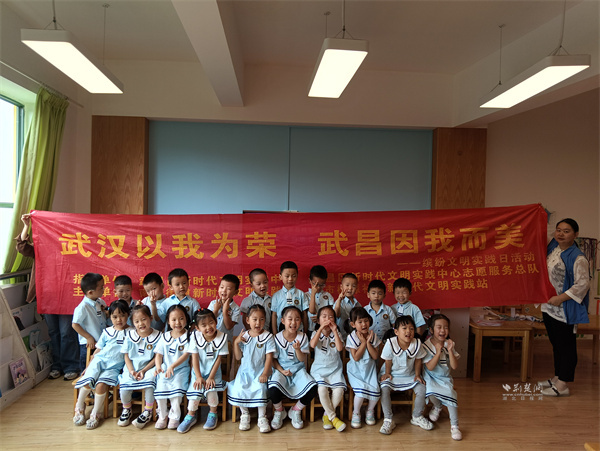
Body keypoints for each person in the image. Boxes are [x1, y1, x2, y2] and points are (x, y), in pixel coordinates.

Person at [15, 213, 79, 380]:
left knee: (66, 332)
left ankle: (70, 366)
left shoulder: (72, 247)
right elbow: (22, 247)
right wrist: (26, 226)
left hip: (66, 296)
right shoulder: (41, 248)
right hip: (47, 295)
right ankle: (57, 365)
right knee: (54, 332)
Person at [539, 218, 590, 397]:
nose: (561, 234)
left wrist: (560, 298)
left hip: (565, 309)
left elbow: (582, 284)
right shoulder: (554, 248)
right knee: (556, 344)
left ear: (575, 235)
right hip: (549, 307)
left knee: (566, 346)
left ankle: (563, 384)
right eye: (558, 230)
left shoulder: (578, 257)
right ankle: (557, 376)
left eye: (566, 231)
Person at [73, 300, 131, 429]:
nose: (119, 320)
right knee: (88, 380)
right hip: (99, 361)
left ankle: (96, 413)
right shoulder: (107, 331)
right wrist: (88, 366)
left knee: (101, 385)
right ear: (110, 317)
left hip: (115, 367)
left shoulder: (132, 332)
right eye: (115, 317)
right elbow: (97, 351)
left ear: (128, 315)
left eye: (122, 315)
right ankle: (79, 406)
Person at [379, 315, 432, 435]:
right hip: (392, 374)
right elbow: (388, 360)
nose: (408, 331)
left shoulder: (417, 343)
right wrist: (387, 373)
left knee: (422, 388)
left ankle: (417, 416)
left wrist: (417, 375)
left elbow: (418, 360)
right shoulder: (390, 343)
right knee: (384, 389)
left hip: (410, 375)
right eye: (404, 328)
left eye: (411, 328)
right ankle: (388, 419)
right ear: (396, 332)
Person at [178, 309, 229, 433]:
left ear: (216, 322)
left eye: (211, 323)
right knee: (195, 392)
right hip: (198, 372)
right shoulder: (195, 337)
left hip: (214, 373)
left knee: (211, 390)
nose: (208, 327)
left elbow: (218, 359)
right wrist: (198, 377)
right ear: (197, 328)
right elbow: (194, 358)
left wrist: (211, 377)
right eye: (204, 325)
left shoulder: (222, 337)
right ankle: (190, 416)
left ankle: (213, 413)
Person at [268, 306, 318, 430]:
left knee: (313, 387)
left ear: (301, 321)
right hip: (281, 369)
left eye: (297, 319)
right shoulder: (276, 338)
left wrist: (298, 349)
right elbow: (273, 360)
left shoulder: (303, 337)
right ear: (283, 321)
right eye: (290, 319)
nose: (293, 323)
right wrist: (282, 370)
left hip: (298, 370)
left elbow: (302, 359)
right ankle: (279, 411)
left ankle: (296, 410)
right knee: (272, 388)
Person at [227, 304, 275, 433]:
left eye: (261, 319)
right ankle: (245, 414)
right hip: (245, 372)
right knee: (239, 387)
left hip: (260, 371)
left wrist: (265, 373)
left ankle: (262, 417)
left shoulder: (268, 337)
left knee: (261, 388)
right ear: (248, 320)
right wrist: (236, 343)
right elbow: (238, 357)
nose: (258, 323)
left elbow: (269, 357)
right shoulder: (244, 336)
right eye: (254, 319)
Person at [117, 305, 161, 429]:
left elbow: (157, 357)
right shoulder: (130, 335)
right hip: (132, 367)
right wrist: (131, 370)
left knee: (150, 383)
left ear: (150, 318)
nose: (140, 324)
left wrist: (144, 370)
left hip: (149, 367)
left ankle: (148, 411)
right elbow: (126, 356)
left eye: (143, 319)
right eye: (136, 321)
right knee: (124, 385)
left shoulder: (158, 336)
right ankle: (127, 409)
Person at [422, 314, 461, 441]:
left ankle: (455, 426)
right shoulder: (426, 345)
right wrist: (438, 352)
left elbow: (454, 366)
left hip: (444, 377)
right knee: (429, 390)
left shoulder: (450, 344)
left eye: (446, 327)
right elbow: (430, 367)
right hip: (430, 376)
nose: (443, 330)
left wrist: (450, 350)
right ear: (431, 330)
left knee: (451, 394)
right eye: (439, 327)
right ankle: (438, 406)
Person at [309, 305, 346, 432]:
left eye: (331, 317)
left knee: (339, 390)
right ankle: (333, 418)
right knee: (322, 389)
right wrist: (320, 329)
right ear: (318, 320)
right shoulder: (315, 333)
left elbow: (340, 348)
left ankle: (327, 415)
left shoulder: (337, 334)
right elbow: (312, 345)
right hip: (319, 371)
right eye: (324, 317)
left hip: (335, 370)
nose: (327, 319)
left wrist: (335, 331)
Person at [154, 304, 191, 430]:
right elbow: (159, 354)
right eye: (173, 319)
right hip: (165, 369)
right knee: (160, 389)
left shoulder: (189, 336)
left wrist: (173, 366)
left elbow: (186, 355)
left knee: (177, 391)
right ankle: (162, 415)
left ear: (186, 319)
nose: (178, 323)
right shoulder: (164, 336)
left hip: (181, 370)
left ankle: (175, 416)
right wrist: (158, 367)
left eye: (181, 318)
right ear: (168, 322)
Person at [345, 306, 381, 429]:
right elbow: (355, 357)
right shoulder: (351, 337)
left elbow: (375, 356)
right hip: (355, 371)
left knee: (376, 391)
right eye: (360, 322)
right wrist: (363, 343)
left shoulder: (373, 336)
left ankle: (369, 410)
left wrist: (368, 343)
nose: (364, 324)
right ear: (353, 324)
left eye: (366, 321)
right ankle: (356, 412)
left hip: (370, 371)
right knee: (360, 393)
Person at [72, 273, 108, 373]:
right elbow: (75, 324)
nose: (103, 289)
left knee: (99, 367)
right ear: (90, 292)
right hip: (89, 344)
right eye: (101, 287)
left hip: (101, 342)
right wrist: (88, 337)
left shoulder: (100, 302)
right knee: (87, 368)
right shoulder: (83, 307)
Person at [271, 261, 308, 333]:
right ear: (280, 277)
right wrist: (275, 333)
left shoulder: (301, 294)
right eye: (287, 276)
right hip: (281, 331)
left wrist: (305, 331)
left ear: (297, 276)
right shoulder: (276, 295)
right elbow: (274, 315)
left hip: (298, 330)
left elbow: (304, 314)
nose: (290, 279)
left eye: (293, 276)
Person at [207, 274, 241, 342]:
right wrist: (216, 310)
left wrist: (224, 311)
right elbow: (207, 321)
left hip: (226, 341)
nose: (224, 290)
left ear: (236, 292)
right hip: (211, 339)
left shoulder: (236, 308)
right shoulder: (213, 304)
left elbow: (228, 327)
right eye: (222, 287)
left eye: (228, 289)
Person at [306, 265, 335, 337]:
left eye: (322, 285)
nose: (318, 287)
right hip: (311, 328)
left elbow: (332, 312)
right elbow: (311, 311)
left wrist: (320, 318)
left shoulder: (328, 296)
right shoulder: (305, 295)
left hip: (326, 328)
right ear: (309, 281)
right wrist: (313, 294)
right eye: (315, 284)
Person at [334, 273, 360, 341]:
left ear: (356, 288)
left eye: (353, 286)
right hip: (341, 337)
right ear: (341, 287)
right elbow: (335, 314)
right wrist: (339, 300)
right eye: (347, 285)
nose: (350, 288)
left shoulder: (358, 304)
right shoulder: (339, 302)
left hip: (354, 338)